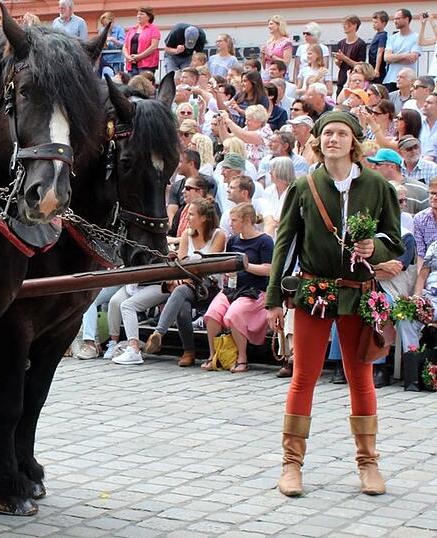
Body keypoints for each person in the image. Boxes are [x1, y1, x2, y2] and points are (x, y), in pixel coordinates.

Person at [266, 111, 402, 498]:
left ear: (354, 141)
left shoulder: (377, 185)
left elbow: (395, 238)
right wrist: (275, 297)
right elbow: (284, 243)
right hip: (314, 293)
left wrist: (376, 246)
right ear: (318, 140)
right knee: (303, 377)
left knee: (360, 378)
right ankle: (291, 466)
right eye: (327, 133)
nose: (333, 139)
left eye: (341, 133)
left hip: (358, 293)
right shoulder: (305, 185)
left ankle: (368, 463)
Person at [144, 197, 226, 366]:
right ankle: (185, 350)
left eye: (191, 214)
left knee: (180, 291)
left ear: (203, 218)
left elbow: (208, 266)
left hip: (209, 288)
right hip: (189, 286)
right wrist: (183, 275)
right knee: (182, 304)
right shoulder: (186, 236)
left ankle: (167, 337)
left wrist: (187, 274)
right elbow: (181, 266)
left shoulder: (218, 235)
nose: (187, 218)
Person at [203, 203, 273, 372]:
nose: (231, 224)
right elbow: (228, 263)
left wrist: (245, 266)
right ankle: (213, 355)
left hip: (255, 291)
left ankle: (242, 358)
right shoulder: (234, 240)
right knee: (212, 312)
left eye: (234, 220)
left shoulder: (264, 241)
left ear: (247, 220)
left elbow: (269, 269)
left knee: (235, 313)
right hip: (233, 288)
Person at [367, 147, 428, 214]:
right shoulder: (373, 188)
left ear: (391, 166)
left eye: (377, 164)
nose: (373, 167)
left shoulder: (420, 189)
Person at [383, 9, 421, 91]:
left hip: (407, 80)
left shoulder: (416, 37)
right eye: (394, 19)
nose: (395, 21)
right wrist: (406, 55)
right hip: (390, 79)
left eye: (398, 18)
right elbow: (386, 58)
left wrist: (394, 58)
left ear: (406, 19)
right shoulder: (392, 38)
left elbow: (412, 59)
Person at [335, 15, 368, 92]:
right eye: (344, 24)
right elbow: (340, 64)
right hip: (342, 79)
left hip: (355, 81)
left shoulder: (361, 44)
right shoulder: (341, 43)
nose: (344, 26)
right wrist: (338, 62)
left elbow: (360, 65)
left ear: (354, 25)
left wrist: (344, 58)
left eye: (347, 24)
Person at [124, 6, 160, 75]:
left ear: (149, 17)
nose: (138, 16)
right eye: (138, 14)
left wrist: (139, 56)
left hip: (147, 64)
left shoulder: (153, 29)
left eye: (142, 14)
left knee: (144, 84)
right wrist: (128, 57)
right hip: (132, 64)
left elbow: (153, 46)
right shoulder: (132, 29)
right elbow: (125, 46)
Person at [98, 12, 125, 77]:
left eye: (107, 25)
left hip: (116, 60)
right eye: (103, 25)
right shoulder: (102, 30)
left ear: (112, 22)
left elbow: (122, 44)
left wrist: (112, 39)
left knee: (117, 80)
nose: (105, 27)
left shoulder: (119, 29)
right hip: (105, 61)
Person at [368, 11, 390, 85]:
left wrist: (376, 69)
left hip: (378, 68)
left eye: (376, 22)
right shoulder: (377, 34)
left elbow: (380, 52)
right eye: (373, 22)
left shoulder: (383, 35)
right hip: (372, 66)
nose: (373, 25)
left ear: (383, 23)